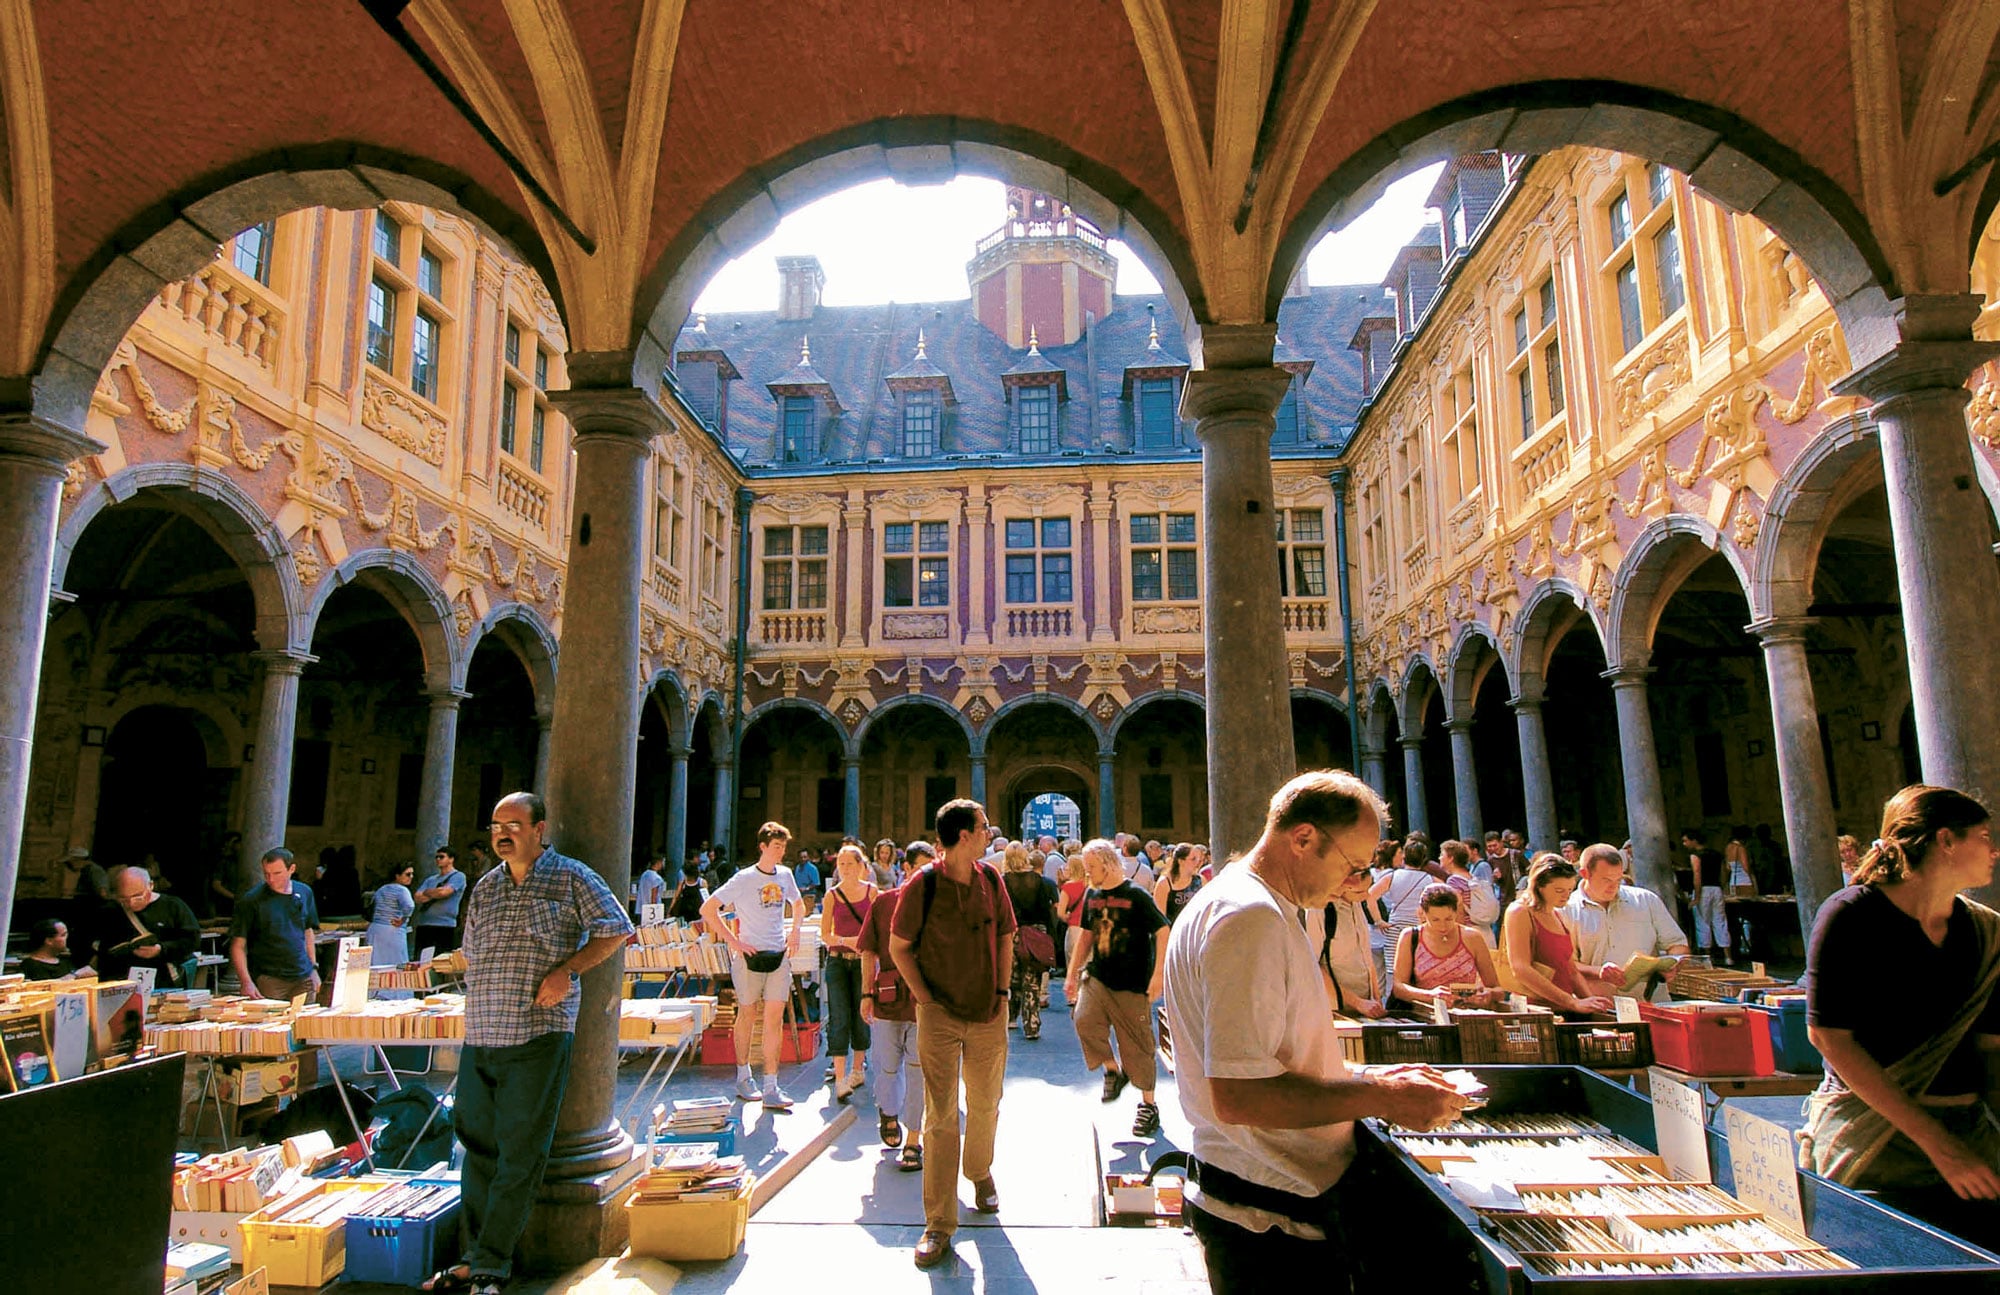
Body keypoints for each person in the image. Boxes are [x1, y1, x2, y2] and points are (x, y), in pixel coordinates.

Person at [1165, 771, 1466, 1291]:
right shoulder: (1249, 918)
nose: (1357, 884)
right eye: (1353, 865)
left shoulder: (1248, 904)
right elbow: (1238, 1095)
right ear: (1303, 838)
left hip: (1266, 1200)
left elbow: (1267, 1056)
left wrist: (1359, 1075)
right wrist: (1382, 1095)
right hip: (1268, 1217)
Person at [421, 792, 630, 1295]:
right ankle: (473, 1256)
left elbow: (616, 929)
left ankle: (492, 1265)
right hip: (483, 1032)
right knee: (475, 1147)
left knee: (519, 1153)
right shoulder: (487, 887)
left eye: (513, 824)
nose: (502, 834)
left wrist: (567, 971)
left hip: (537, 1033)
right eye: (496, 825)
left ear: (539, 829)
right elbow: (471, 950)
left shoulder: (570, 876)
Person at [1803, 784, 2000, 1250]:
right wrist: (1940, 1146)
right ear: (1946, 840)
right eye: (1984, 836)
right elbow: (1830, 1038)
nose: (1994, 850)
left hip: (1970, 1137)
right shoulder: (1851, 916)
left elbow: (1990, 1047)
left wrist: (1972, 1144)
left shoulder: (1986, 931)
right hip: (1876, 1144)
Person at [889, 799, 1015, 1269]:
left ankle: (979, 1171)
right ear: (965, 835)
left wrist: (1002, 992)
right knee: (941, 1115)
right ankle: (938, 1223)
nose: (989, 833)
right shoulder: (922, 885)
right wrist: (924, 998)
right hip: (939, 1013)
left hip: (988, 1010)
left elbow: (1006, 933)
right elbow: (899, 946)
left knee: (985, 1102)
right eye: (984, 827)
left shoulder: (990, 879)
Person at [1066, 839, 1169, 1135]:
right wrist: (1072, 974)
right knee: (1084, 1020)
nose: (1088, 874)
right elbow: (1086, 936)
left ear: (1108, 864)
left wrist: (1158, 973)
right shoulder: (1092, 894)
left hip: (1132, 981)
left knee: (1137, 1045)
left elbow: (1163, 930)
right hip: (1098, 976)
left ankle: (1148, 1105)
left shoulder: (1137, 896)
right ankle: (1113, 1069)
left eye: (1092, 868)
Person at [702, 822, 808, 1108]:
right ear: (762, 847)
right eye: (776, 846)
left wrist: (795, 930)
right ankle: (743, 1075)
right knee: (747, 1015)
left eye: (784, 847)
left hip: (777, 955)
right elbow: (708, 910)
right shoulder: (744, 878)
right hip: (749, 956)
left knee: (774, 1019)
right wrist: (733, 942)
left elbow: (798, 905)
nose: (781, 852)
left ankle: (771, 1085)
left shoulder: (785, 875)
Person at [861, 840, 930, 1168]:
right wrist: (866, 993)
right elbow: (868, 950)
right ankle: (888, 1111)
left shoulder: (941, 907)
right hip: (888, 996)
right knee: (886, 1067)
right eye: (922, 867)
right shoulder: (885, 903)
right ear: (907, 868)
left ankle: (914, 1138)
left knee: (919, 1072)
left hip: (926, 1001)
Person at [1564, 843, 1690, 1000]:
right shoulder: (1566, 909)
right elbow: (1563, 964)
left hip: (1651, 1002)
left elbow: (1677, 944)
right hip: (1600, 1005)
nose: (1614, 887)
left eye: (1618, 879)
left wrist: (1674, 964)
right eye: (1606, 880)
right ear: (1584, 874)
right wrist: (1598, 971)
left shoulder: (1646, 900)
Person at [1502, 856, 1614, 1015]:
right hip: (1536, 1011)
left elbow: (1572, 971)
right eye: (1559, 890)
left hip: (1564, 1008)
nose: (1566, 896)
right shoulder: (1520, 912)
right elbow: (1520, 968)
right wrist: (1573, 1002)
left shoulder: (1556, 914)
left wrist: (1592, 1004)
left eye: (1570, 890)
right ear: (1539, 886)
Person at [1390, 885, 1505, 1010]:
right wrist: (1430, 995)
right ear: (1423, 914)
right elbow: (1399, 988)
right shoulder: (1410, 937)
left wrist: (1488, 994)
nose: (1443, 926)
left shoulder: (1472, 938)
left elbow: (1498, 990)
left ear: (1456, 912)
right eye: (1435, 920)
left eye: (1449, 919)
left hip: (1465, 1017)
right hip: (1425, 1017)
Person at [228, 849, 321, 1002]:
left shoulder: (304, 892)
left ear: (291, 869)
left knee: (304, 1022)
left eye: (277, 873)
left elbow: (307, 930)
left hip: (303, 976)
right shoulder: (251, 900)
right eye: (266, 874)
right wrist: (246, 982)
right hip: (270, 978)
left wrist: (313, 969)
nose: (271, 879)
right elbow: (238, 945)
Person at [822, 844, 877, 1101]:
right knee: (839, 1014)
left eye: (850, 864)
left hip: (862, 961)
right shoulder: (832, 895)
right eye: (841, 864)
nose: (845, 869)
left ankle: (858, 1069)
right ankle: (841, 1077)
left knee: (861, 1013)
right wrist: (846, 940)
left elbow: (877, 927)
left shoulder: (872, 893)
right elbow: (825, 934)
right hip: (837, 959)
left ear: (861, 866)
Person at [1000, 841, 1060, 1040]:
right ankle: (1032, 1024)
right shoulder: (1043, 882)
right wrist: (1051, 936)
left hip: (1012, 934)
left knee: (1012, 978)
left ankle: (1011, 1017)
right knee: (1032, 980)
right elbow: (1050, 913)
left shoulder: (1003, 882)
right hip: (1036, 933)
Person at [1313, 870, 1385, 1018]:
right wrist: (1357, 1002)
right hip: (1336, 1011)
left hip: (1367, 1009)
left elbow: (1366, 956)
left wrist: (1376, 998)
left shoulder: (1356, 904)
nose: (1367, 896)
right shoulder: (1320, 910)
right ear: (1344, 885)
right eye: (1360, 892)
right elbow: (1312, 965)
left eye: (1368, 888)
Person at [1679, 827, 1735, 966]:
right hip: (1716, 889)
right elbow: (1723, 873)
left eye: (1686, 841)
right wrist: (1722, 888)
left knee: (1703, 923)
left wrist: (1696, 897)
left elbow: (1697, 875)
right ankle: (1728, 956)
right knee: (1720, 921)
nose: (1684, 844)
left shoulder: (1696, 856)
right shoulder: (1716, 854)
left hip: (1703, 889)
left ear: (1694, 841)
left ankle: (1707, 957)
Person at [408, 847, 468, 956]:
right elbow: (417, 897)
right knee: (421, 958)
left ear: (451, 859)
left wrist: (427, 893)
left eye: (442, 857)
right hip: (425, 924)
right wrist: (434, 893)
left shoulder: (458, 876)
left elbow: (444, 892)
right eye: (437, 857)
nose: (438, 859)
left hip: (445, 926)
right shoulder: (431, 879)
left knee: (440, 959)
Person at [366, 863, 416, 967]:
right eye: (407, 874)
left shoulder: (382, 889)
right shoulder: (402, 890)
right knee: (396, 965)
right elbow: (410, 906)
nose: (411, 877)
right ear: (397, 876)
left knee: (376, 963)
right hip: (392, 930)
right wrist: (403, 919)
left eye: (412, 874)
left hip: (375, 929)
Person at [1154, 842, 1205, 926]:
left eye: (1198, 859)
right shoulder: (1165, 883)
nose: (1198, 863)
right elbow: (1159, 919)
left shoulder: (1201, 881)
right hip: (1173, 934)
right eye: (1193, 859)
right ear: (1181, 861)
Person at [1056, 854, 1090, 979]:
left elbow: (1060, 913)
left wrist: (1067, 917)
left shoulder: (1068, 887)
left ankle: (1075, 996)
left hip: (1074, 928)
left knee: (1073, 967)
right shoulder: (1091, 886)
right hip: (1090, 928)